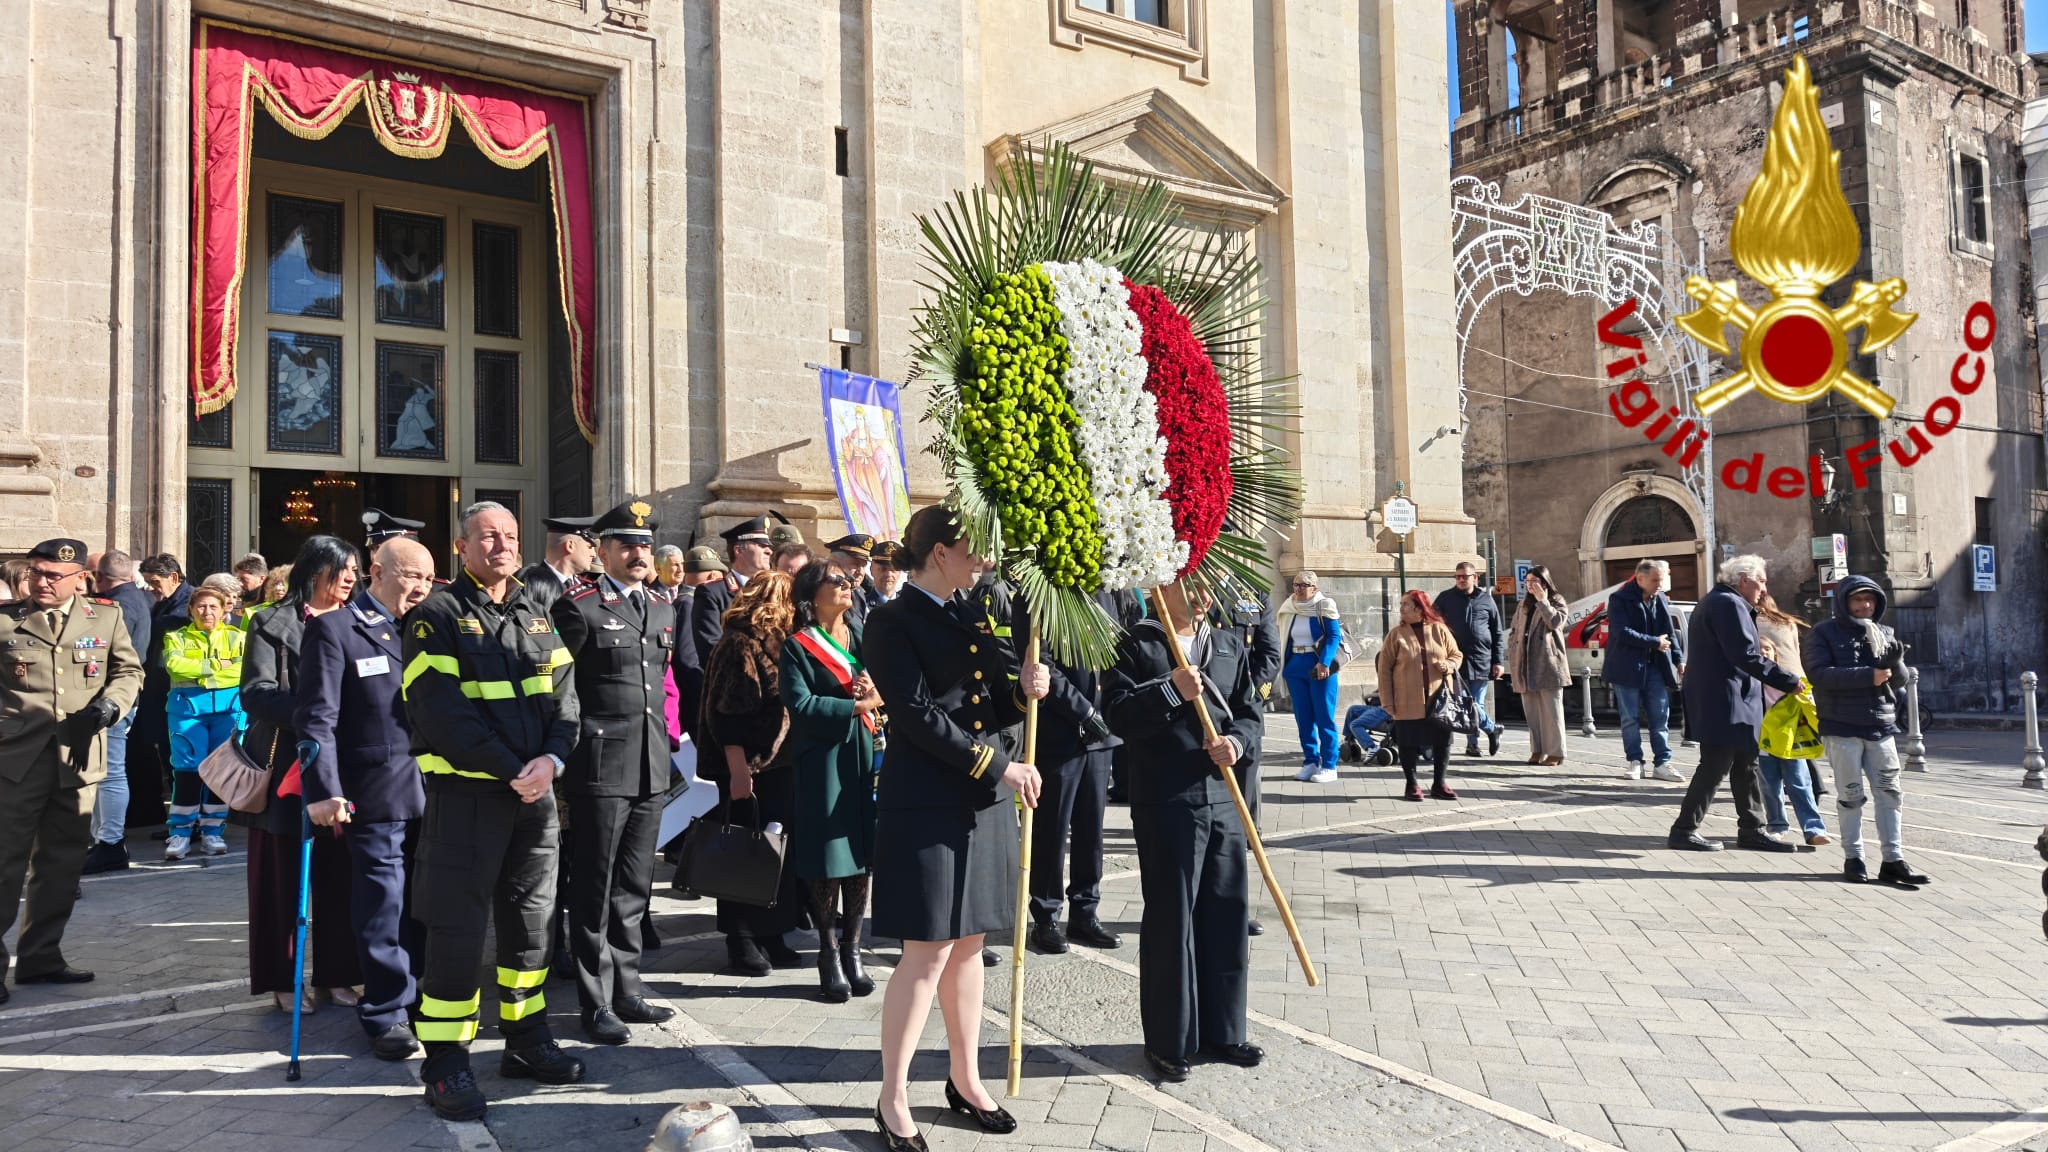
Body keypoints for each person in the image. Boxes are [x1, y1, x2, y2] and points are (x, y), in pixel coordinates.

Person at [865, 507, 1050, 1149]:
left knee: (969, 942)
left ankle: (965, 1077)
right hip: (929, 801)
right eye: (973, 550)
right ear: (940, 552)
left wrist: (1024, 688)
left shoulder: (968, 611)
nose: (983, 560)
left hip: (981, 799)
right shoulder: (890, 619)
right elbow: (916, 715)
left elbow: (984, 699)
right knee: (927, 950)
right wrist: (999, 766)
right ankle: (892, 1096)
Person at [404, 501, 584, 1120]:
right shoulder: (437, 615)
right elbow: (442, 713)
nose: (501, 545)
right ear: (462, 547)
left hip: (534, 799)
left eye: (509, 535)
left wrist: (552, 763)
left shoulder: (536, 615)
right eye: (487, 536)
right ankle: (446, 1062)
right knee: (456, 930)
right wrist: (517, 770)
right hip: (468, 799)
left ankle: (527, 1039)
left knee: (531, 924)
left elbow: (566, 701)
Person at [1105, 579, 1264, 1085]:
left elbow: (1250, 715)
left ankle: (1224, 1029)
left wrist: (1238, 743)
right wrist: (1171, 690)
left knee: (1226, 910)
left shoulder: (1226, 643)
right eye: (1191, 586)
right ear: (1163, 586)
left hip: (1223, 796)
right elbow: (1117, 715)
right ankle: (1169, 1041)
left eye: (1209, 588)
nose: (1203, 597)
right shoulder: (1136, 643)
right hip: (1167, 798)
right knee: (1173, 918)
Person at [293, 536, 436, 1060]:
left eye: (427, 576)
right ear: (377, 572)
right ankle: (386, 1010)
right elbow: (316, 719)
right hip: (373, 791)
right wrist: (324, 789)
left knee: (427, 903)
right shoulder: (334, 629)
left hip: (438, 789)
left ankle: (428, 1000)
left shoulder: (432, 627)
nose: (420, 586)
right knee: (383, 905)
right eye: (410, 575)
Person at [549, 499, 682, 1044]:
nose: (638, 553)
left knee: (634, 885)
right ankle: (594, 1000)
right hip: (600, 766)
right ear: (599, 551)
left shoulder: (662, 606)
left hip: (650, 763)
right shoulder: (577, 606)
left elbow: (659, 686)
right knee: (594, 885)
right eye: (626, 544)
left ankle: (627, 987)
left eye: (645, 544)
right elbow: (561, 691)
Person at [0, 538, 144, 1002]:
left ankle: (41, 958)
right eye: (36, 572)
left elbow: (129, 672)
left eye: (52, 575)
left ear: (80, 577)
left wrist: (109, 708)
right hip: (14, 761)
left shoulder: (105, 617)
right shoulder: (6, 621)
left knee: (61, 865)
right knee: (4, 866)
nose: (41, 581)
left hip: (78, 759)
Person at [242, 536, 364, 1012]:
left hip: (342, 769)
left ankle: (339, 974)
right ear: (315, 571)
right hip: (287, 768)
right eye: (343, 568)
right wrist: (317, 713)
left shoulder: (359, 622)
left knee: (340, 876)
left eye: (356, 568)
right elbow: (257, 693)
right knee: (282, 881)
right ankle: (282, 980)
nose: (352, 577)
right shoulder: (271, 622)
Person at [700, 570, 812, 975]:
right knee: (743, 850)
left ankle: (772, 932)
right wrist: (738, 770)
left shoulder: (781, 643)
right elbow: (728, 715)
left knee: (775, 851)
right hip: (748, 767)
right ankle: (740, 937)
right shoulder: (739, 643)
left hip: (780, 765)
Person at [780, 560, 883, 1002]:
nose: (846, 585)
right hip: (823, 759)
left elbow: (883, 683)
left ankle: (853, 947)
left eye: (847, 580)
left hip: (864, 754)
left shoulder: (859, 633)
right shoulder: (797, 647)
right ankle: (827, 951)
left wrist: (876, 691)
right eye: (835, 581)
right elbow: (800, 705)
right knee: (829, 857)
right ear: (812, 594)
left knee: (861, 854)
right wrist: (856, 707)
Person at [1667, 554, 1803, 853]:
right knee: (1716, 765)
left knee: (1746, 765)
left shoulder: (1721, 601)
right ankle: (1684, 830)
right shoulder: (1729, 604)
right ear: (1744, 580)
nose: (1764, 589)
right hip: (1727, 699)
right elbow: (1745, 655)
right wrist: (1788, 680)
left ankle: (1752, 830)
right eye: (1761, 581)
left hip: (1731, 698)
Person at [1806, 576, 1930, 886]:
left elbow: (1897, 681)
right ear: (1844, 602)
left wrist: (1896, 662)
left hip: (1881, 726)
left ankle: (1893, 860)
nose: (1865, 605)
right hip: (1842, 727)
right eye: (1858, 600)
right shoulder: (1824, 633)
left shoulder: (1884, 632)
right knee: (1851, 795)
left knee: (1890, 794)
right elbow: (1819, 675)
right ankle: (1854, 857)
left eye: (1870, 600)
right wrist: (1869, 676)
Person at [1027, 589, 1123, 956]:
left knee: (1090, 831)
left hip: (1100, 737)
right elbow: (1043, 663)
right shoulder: (1046, 590)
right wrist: (1084, 712)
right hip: (1061, 731)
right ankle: (1046, 915)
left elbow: (1114, 652)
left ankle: (1086, 911)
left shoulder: (1106, 592)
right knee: (1052, 830)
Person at [160, 582, 246, 857]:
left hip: (227, 711)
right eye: (201, 606)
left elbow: (242, 672)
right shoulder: (176, 638)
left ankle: (212, 832)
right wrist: (216, 668)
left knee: (219, 772)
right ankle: (180, 834)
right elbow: (175, 665)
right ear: (190, 610)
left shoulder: (238, 637)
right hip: (187, 713)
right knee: (187, 772)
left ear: (223, 611)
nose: (206, 611)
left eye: (213, 606)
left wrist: (199, 673)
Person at [83, 550, 152, 874]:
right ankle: (103, 840)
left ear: (101, 577)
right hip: (118, 697)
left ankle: (110, 842)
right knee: (104, 771)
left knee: (109, 772)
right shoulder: (137, 598)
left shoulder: (116, 606)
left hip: (112, 698)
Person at [1373, 589, 1465, 801]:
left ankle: (1439, 783)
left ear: (1419, 608)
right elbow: (1384, 669)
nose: (1401, 608)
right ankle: (1411, 785)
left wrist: (1449, 665)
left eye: (1406, 604)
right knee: (1408, 742)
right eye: (1401, 604)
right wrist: (1387, 701)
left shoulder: (1439, 630)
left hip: (1439, 699)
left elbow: (1456, 654)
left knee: (1442, 741)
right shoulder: (1395, 634)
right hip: (1406, 699)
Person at [1603, 559, 1685, 781]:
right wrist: (1654, 642)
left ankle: (1663, 763)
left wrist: (1679, 659)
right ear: (1640, 579)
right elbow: (1622, 632)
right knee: (1629, 717)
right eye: (1655, 580)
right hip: (1626, 667)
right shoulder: (1619, 599)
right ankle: (1635, 761)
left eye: (1661, 579)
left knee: (1660, 717)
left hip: (1655, 668)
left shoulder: (1661, 600)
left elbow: (1669, 631)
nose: (1660, 584)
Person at [1754, 623, 1829, 848]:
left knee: (1799, 783)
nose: (1764, 652)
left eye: (1767, 649)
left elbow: (1809, 705)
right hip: (1762, 742)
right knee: (1770, 787)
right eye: (1759, 650)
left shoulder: (1790, 680)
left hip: (1790, 741)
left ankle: (1814, 829)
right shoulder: (1750, 682)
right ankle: (1776, 826)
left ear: (1776, 654)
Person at [1276, 571, 1342, 783]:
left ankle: (1330, 765)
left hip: (1319, 666)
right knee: (1303, 718)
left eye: (1304, 585)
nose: (1299, 589)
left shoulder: (1324, 605)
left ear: (1315, 588)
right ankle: (1310, 761)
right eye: (1296, 584)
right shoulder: (1289, 606)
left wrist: (1324, 661)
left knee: (1324, 717)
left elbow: (1334, 635)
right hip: (1295, 665)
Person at [1434, 561, 1504, 758]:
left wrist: (1498, 661)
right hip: (1456, 661)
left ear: (1475, 577)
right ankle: (1491, 729)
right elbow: (1432, 622)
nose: (1461, 580)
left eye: (1465, 576)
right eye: (1458, 577)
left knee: (1475, 704)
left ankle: (1473, 744)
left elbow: (1497, 632)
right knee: (1464, 703)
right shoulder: (1445, 598)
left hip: (1481, 659)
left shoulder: (1486, 600)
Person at [1505, 566, 1572, 766]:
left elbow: (1555, 623)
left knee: (1551, 710)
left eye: (1534, 581)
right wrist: (1512, 649)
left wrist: (1543, 601)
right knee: (1532, 710)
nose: (1530, 585)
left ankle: (1556, 752)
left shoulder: (1556, 600)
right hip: (1525, 662)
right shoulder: (1523, 604)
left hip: (1547, 662)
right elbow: (1514, 630)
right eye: (1527, 581)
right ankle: (1538, 750)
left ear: (1544, 582)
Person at [691, 514, 779, 663]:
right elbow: (711, 647)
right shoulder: (712, 593)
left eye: (768, 546)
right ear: (738, 550)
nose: (769, 551)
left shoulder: (772, 592)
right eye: (761, 545)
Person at [825, 533, 883, 626]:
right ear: (834, 563)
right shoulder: (826, 593)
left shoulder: (859, 592)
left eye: (864, 566)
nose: (860, 571)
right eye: (855, 564)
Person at [540, 515, 600, 586]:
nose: (594, 554)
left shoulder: (586, 587)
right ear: (570, 546)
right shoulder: (531, 588)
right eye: (589, 547)